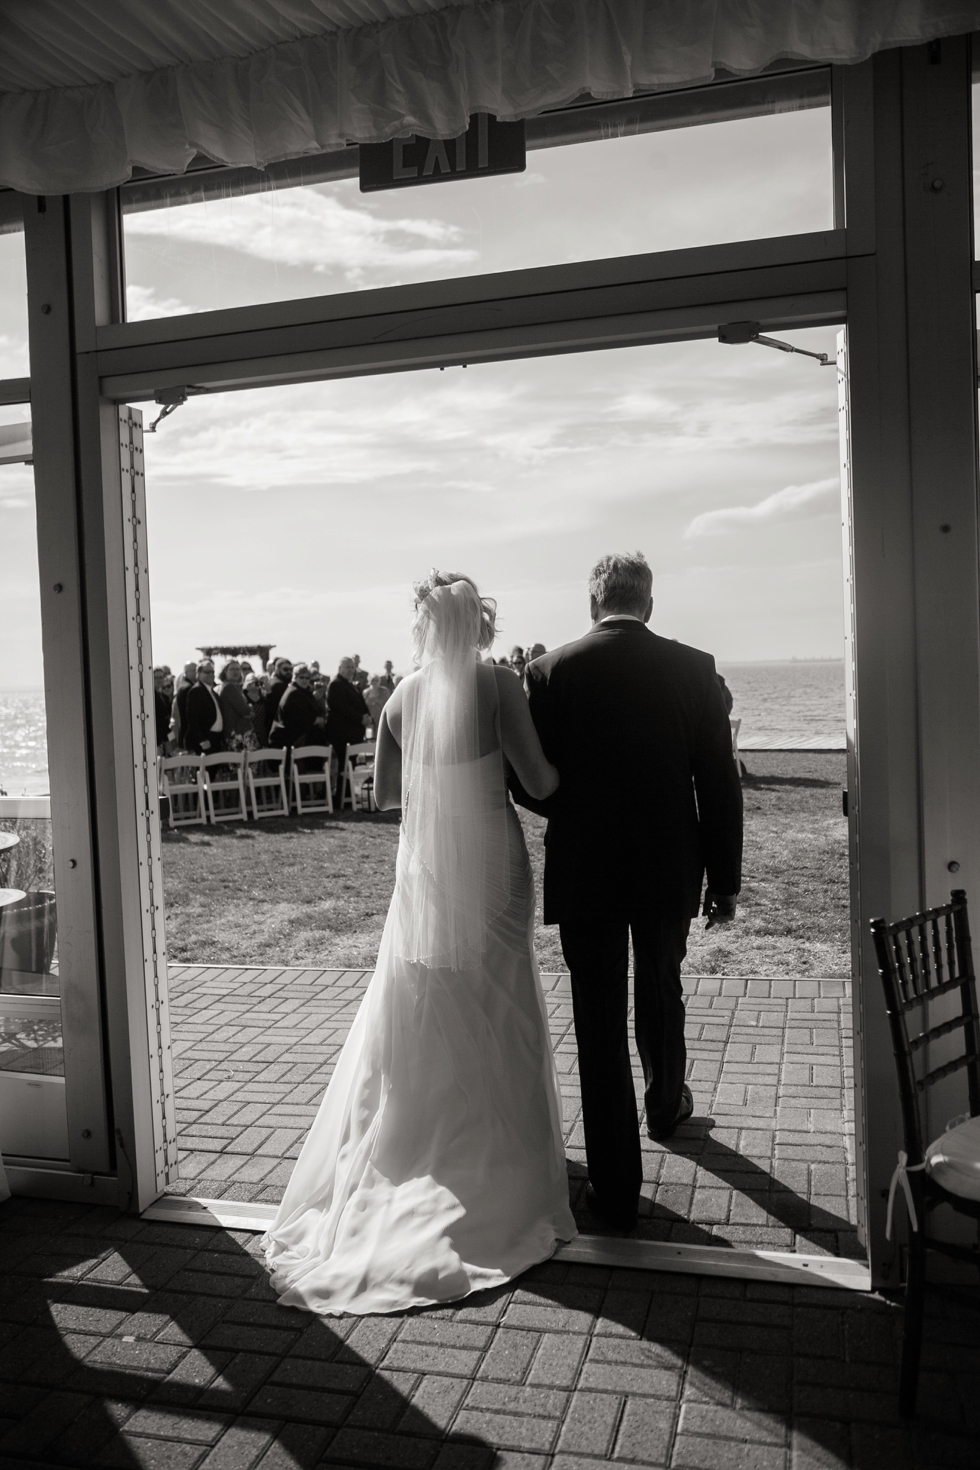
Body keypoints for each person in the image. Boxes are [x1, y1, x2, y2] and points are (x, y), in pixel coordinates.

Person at [263, 571, 575, 1314]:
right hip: (492, 860)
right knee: (499, 990)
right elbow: (540, 778)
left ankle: (419, 1141)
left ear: (422, 626)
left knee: (429, 993)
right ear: (480, 621)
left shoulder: (401, 697)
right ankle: (506, 1154)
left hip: (428, 863)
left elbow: (385, 798)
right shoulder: (497, 683)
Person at [511, 551, 743, 1233]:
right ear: (648, 601)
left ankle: (615, 1187)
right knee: (661, 986)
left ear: (593, 600)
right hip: (671, 862)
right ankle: (667, 1105)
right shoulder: (693, 668)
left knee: (598, 1018)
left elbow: (530, 777)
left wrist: (574, 815)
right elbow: (718, 781)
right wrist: (723, 881)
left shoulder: (549, 672)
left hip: (587, 864)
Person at [325, 656, 371, 804]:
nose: (351, 670)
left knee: (350, 765)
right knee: (344, 766)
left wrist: (367, 717)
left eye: (352, 667)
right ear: (340, 669)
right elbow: (341, 708)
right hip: (342, 734)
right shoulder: (336, 684)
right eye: (347, 667)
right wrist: (360, 718)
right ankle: (341, 797)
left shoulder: (349, 684)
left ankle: (347, 795)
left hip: (352, 733)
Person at [273, 664, 327, 749]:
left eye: (307, 678)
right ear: (295, 677)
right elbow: (299, 717)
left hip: (302, 738)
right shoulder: (294, 693)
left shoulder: (302, 691)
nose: (305, 680)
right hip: (293, 741)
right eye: (301, 677)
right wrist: (317, 720)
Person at [183, 660, 225, 755]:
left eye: (212, 672)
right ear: (198, 673)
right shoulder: (196, 691)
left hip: (215, 739)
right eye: (207, 672)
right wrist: (201, 740)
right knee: (204, 769)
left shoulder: (212, 692)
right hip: (205, 741)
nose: (211, 674)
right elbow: (192, 718)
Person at [217, 660, 254, 750]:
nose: (236, 672)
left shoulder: (222, 686)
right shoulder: (230, 687)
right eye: (232, 669)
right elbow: (245, 711)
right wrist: (250, 707)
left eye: (238, 669)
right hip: (238, 734)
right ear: (225, 672)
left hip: (231, 733)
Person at [173, 661, 197, 749]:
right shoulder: (188, 688)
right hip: (189, 735)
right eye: (193, 670)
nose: (196, 673)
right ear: (186, 672)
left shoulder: (184, 685)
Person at [265, 658, 292, 733]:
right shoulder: (278, 685)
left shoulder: (276, 682)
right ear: (276, 670)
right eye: (285, 669)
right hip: (279, 728)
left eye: (291, 669)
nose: (289, 672)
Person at [243, 675, 268, 748]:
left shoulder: (264, 698)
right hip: (249, 732)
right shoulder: (243, 697)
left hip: (263, 731)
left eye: (258, 681)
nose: (257, 683)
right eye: (254, 681)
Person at [153, 667, 172, 752]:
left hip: (163, 739)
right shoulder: (151, 695)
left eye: (161, 677)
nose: (159, 680)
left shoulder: (162, 695)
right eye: (156, 677)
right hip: (156, 740)